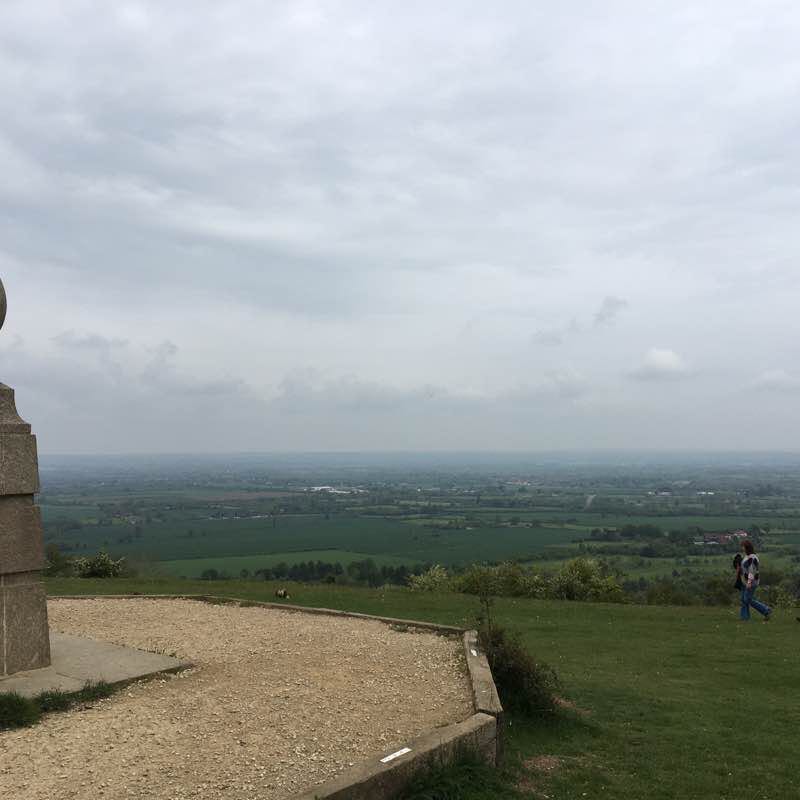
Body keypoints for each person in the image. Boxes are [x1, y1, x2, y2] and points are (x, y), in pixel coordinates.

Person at [739, 540, 771, 622]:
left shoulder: (752, 558)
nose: (742, 548)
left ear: (747, 547)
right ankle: (744, 617)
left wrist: (749, 582)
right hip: (745, 581)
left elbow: (752, 570)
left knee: (747, 599)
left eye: (743, 546)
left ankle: (766, 610)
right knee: (744, 599)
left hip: (751, 582)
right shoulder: (748, 556)